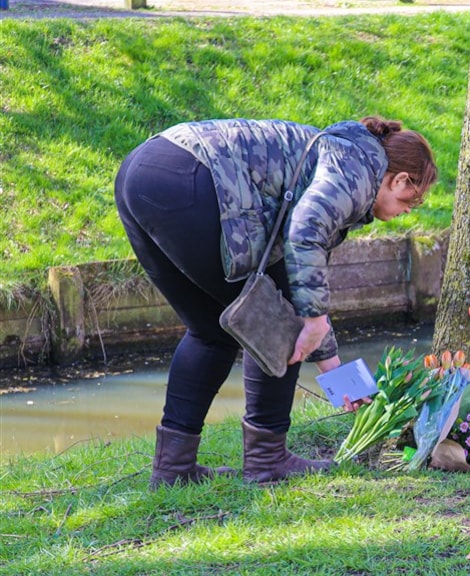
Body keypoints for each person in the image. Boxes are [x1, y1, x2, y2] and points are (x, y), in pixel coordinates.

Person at [114, 116, 437, 488]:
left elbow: (302, 277)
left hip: (143, 170)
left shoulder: (341, 156)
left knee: (210, 330)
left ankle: (173, 469)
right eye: (409, 202)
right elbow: (304, 233)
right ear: (398, 180)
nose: (405, 213)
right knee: (278, 321)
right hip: (188, 179)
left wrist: (332, 367)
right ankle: (267, 461)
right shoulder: (359, 171)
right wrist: (311, 320)